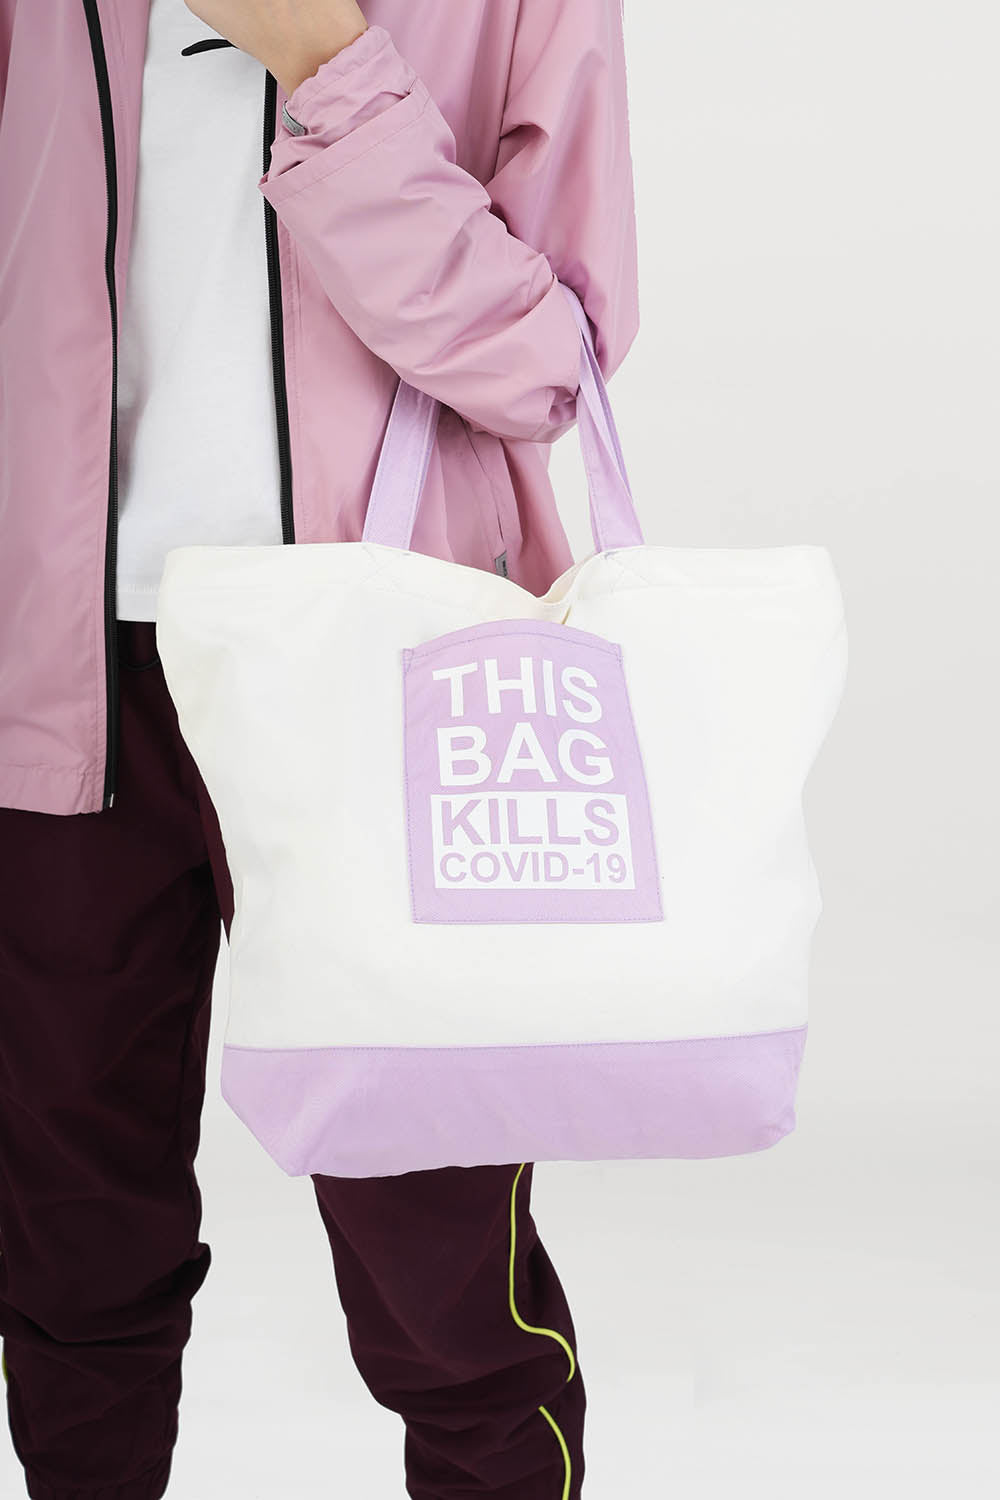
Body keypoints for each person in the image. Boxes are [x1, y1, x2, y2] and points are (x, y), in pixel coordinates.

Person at [0, 1, 639, 1496]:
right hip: (71, 683)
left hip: (378, 682)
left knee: (444, 1275)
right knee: (68, 1251)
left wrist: (326, 67)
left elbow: (551, 363)